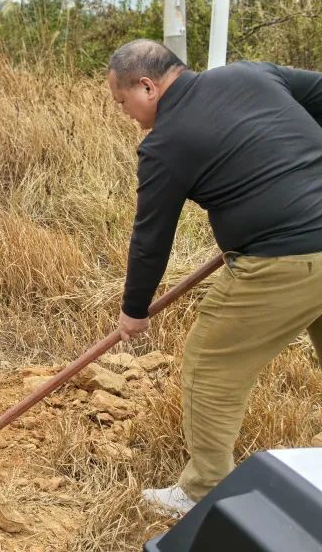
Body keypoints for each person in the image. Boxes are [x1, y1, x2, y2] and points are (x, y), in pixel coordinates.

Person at [107, 39, 322, 516]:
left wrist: (134, 310)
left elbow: (151, 238)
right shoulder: (248, 74)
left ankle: (202, 492)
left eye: (122, 101)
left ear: (147, 86)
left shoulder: (165, 143)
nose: (125, 114)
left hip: (281, 261)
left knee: (209, 366)